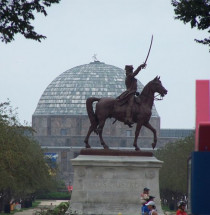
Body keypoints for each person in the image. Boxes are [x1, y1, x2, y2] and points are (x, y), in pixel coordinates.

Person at [117, 63, 146, 127]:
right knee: (131, 104)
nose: (131, 71)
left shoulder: (130, 77)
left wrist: (136, 92)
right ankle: (128, 118)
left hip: (132, 93)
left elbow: (132, 87)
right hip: (129, 94)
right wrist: (140, 66)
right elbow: (135, 73)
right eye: (131, 70)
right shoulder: (129, 76)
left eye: (131, 70)